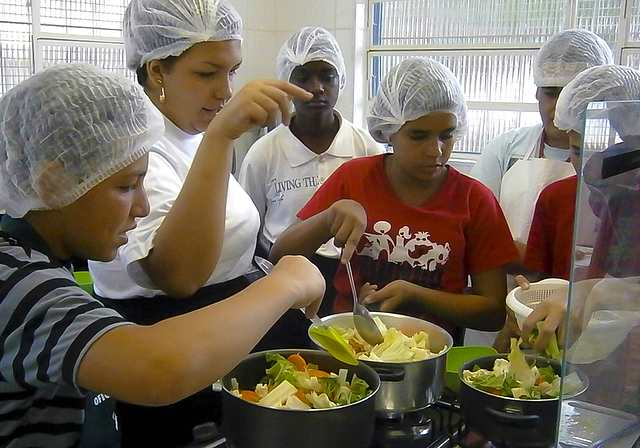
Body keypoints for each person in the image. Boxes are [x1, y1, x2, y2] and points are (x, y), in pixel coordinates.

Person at [0, 63, 324, 448]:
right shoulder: (16, 281)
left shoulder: (37, 264)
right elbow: (156, 369)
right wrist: (284, 284)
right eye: (126, 186)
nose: (142, 206)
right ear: (52, 183)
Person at [87, 0, 319, 445]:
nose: (226, 91)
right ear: (157, 71)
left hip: (227, 332)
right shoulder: (134, 149)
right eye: (207, 73)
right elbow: (179, 275)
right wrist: (221, 137)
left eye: (232, 72)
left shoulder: (192, 135)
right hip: (170, 346)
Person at [271, 58, 519, 345]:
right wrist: (327, 219)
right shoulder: (355, 178)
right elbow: (281, 254)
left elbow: (492, 311)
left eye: (447, 135)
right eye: (418, 136)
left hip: (429, 353)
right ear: (389, 129)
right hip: (349, 345)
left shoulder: (474, 200)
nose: (435, 150)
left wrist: (416, 295)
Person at [238, 26, 385, 316]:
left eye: (327, 76)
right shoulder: (263, 153)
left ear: (340, 80)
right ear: (286, 83)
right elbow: (250, 230)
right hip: (284, 274)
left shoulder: (365, 147)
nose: (316, 87)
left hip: (353, 276)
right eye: (303, 77)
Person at [518, 64, 640, 351]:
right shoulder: (599, 199)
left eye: (618, 152)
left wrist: (593, 292)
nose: (592, 165)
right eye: (577, 150)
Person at [470, 29, 613, 255]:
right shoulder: (506, 148)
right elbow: (476, 230)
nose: (560, 106)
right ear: (536, 92)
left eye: (572, 93)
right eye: (551, 93)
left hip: (588, 287)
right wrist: (538, 260)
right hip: (507, 285)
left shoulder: (616, 157)